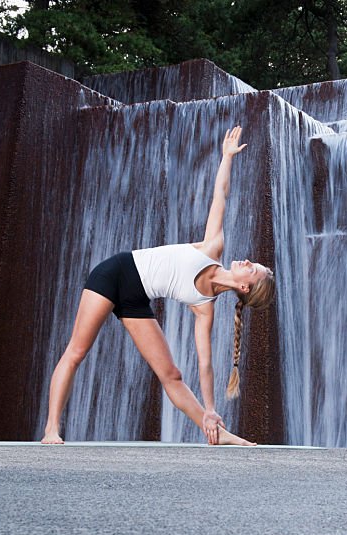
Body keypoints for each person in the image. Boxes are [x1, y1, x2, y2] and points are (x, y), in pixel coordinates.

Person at [41, 126, 274, 446]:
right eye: (253, 262)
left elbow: (204, 364)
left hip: (137, 299)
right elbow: (220, 194)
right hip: (115, 273)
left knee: (172, 376)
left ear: (245, 288)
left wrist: (210, 409)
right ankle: (51, 430)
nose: (247, 261)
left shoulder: (204, 308)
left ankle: (217, 431)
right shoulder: (213, 247)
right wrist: (226, 158)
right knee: (77, 351)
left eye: (253, 269)